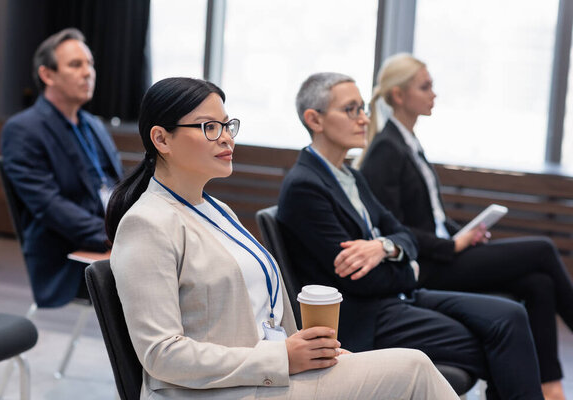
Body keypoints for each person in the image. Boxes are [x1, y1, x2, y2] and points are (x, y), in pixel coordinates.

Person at [104, 77, 459, 399]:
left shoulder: (217, 210)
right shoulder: (147, 224)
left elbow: (263, 317)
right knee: (414, 369)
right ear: (161, 138)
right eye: (209, 127)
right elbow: (161, 355)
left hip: (262, 379)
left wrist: (311, 353)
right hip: (217, 392)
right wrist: (282, 357)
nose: (226, 137)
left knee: (409, 369)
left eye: (227, 126)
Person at [277, 72, 545, 400]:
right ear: (314, 119)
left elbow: (405, 235)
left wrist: (384, 246)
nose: (364, 118)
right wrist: (410, 267)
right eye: (351, 110)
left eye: (363, 108)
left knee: (510, 315)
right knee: (492, 339)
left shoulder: (351, 176)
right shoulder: (306, 187)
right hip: (367, 316)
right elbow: (362, 281)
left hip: (397, 297)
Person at [358, 53, 573, 400]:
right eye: (425, 87)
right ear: (399, 96)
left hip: (445, 253)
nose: (434, 94)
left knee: (539, 283)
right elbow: (394, 229)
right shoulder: (387, 149)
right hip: (428, 267)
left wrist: (465, 232)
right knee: (543, 250)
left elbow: (432, 216)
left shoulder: (408, 143)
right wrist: (453, 246)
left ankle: (550, 387)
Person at [0, 28, 123, 307]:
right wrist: (111, 238)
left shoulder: (93, 125)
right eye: (76, 65)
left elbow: (119, 186)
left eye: (90, 64)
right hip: (68, 254)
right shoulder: (23, 129)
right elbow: (48, 205)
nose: (88, 72)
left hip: (112, 241)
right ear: (48, 75)